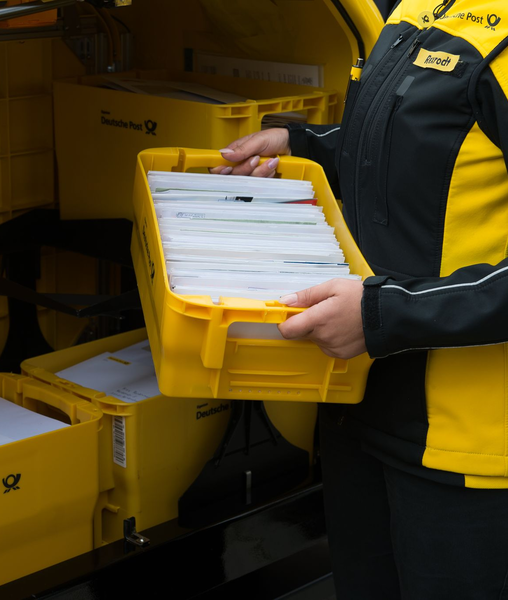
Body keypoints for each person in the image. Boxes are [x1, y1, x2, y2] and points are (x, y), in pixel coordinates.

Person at [213, 1, 508, 598]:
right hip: (360, 407)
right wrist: (306, 144)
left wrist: (385, 314)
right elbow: (428, 146)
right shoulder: (424, 7)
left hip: (465, 446)